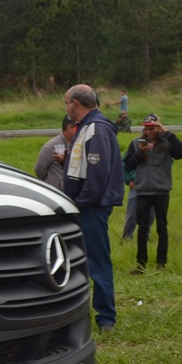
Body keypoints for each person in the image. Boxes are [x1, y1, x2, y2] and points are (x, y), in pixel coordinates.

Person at [63, 85, 124, 332]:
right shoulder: (86, 127)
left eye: (66, 102)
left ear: (75, 103)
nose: (66, 108)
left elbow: (97, 175)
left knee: (98, 263)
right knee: (79, 262)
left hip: (91, 208)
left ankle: (106, 317)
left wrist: (80, 202)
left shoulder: (96, 128)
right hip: (84, 206)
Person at [123, 113, 182, 273]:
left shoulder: (167, 141)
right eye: (146, 128)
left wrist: (166, 132)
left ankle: (161, 263)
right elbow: (127, 164)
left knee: (162, 228)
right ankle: (141, 264)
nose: (149, 131)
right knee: (142, 228)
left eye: (153, 128)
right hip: (143, 191)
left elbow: (181, 152)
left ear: (158, 127)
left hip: (161, 190)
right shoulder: (137, 142)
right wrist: (140, 153)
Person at [34, 116, 79, 189]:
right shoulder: (51, 146)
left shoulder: (77, 144)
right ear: (69, 128)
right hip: (55, 190)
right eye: (78, 127)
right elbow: (39, 168)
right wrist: (49, 183)